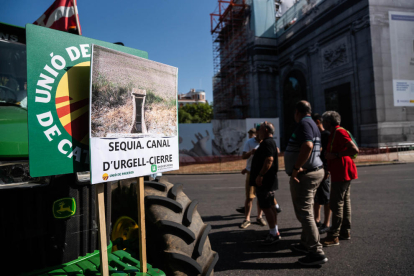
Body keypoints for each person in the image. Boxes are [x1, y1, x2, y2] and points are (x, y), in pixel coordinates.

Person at [284, 101, 328, 266]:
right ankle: (305, 244)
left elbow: (308, 145)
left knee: (304, 213)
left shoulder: (304, 123)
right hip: (313, 171)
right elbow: (317, 148)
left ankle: (316, 252)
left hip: (306, 174)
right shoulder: (312, 123)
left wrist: (296, 168)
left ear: (297, 112)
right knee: (307, 210)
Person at [320, 111, 358, 247]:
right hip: (343, 171)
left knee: (336, 204)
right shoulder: (336, 132)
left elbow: (354, 150)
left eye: (323, 121)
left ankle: (333, 236)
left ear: (328, 122)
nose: (322, 124)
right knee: (344, 202)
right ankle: (344, 232)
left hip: (341, 171)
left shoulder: (339, 132)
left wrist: (335, 155)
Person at [250, 121, 280, 245]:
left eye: (260, 129)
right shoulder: (269, 142)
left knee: (266, 207)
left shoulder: (267, 142)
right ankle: (274, 230)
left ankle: (274, 233)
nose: (258, 132)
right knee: (270, 206)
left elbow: (269, 160)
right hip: (268, 180)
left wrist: (260, 175)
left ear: (266, 131)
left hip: (265, 181)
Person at [239, 127, 266, 228]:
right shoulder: (249, 142)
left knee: (261, 197)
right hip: (251, 173)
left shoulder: (266, 142)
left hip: (262, 173)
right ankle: (247, 219)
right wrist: (251, 152)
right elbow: (243, 156)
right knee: (250, 197)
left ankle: (259, 217)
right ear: (258, 132)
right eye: (261, 132)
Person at [312, 113, 331, 234]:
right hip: (315, 169)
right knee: (316, 197)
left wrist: (328, 170)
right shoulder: (315, 135)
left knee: (326, 198)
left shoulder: (326, 135)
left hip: (324, 170)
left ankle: (327, 223)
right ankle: (317, 220)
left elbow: (328, 154)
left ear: (318, 121)